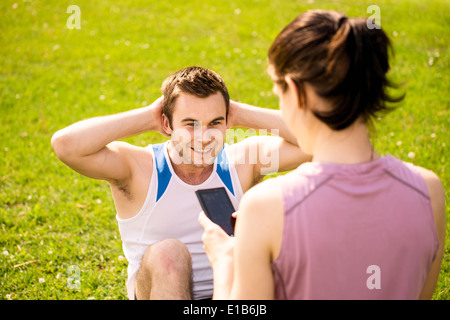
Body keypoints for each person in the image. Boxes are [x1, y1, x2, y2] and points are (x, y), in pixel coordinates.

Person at [199, 10, 446, 299]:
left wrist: (225, 261)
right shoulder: (429, 191)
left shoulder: (265, 206)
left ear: (294, 90)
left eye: (278, 93)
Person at [51, 66, 310, 299]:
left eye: (214, 123)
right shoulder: (139, 168)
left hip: (231, 293)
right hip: (160, 289)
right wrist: (147, 116)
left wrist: (240, 113)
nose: (205, 137)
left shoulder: (243, 161)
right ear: (167, 123)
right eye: (190, 124)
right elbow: (66, 146)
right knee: (169, 254)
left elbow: (314, 143)